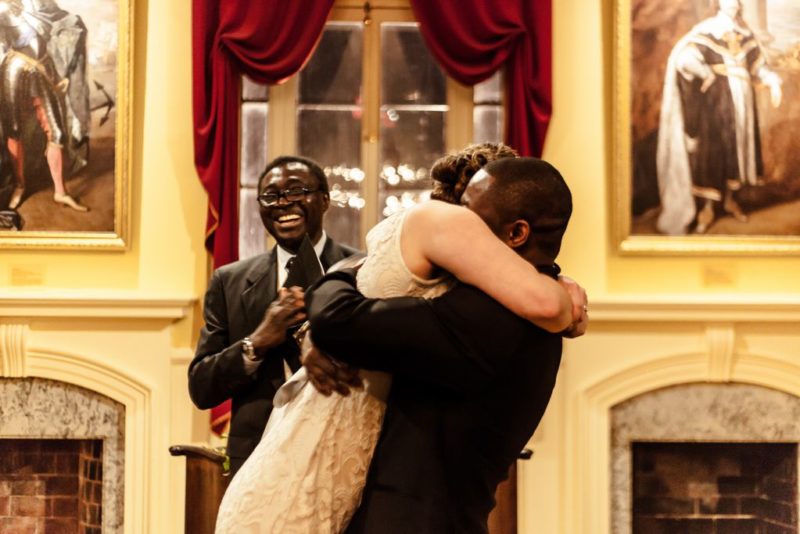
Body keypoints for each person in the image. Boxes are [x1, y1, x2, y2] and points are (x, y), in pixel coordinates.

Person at [214, 145, 587, 533]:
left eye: (469, 220)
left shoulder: (493, 318)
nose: (458, 227)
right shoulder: (522, 306)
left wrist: (345, 276)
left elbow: (340, 320)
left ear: (516, 233)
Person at [188, 155, 359, 475]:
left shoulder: (360, 269)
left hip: (339, 453)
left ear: (324, 200)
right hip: (257, 460)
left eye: (296, 191)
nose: (283, 203)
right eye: (271, 195)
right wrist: (256, 342)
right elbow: (201, 387)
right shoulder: (229, 281)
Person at [656, 0, 782, 235]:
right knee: (714, 153)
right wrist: (705, 74)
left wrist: (773, 81)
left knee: (737, 152)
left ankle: (730, 199)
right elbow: (685, 59)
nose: (733, 2)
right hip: (716, 104)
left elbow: (758, 66)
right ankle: (707, 208)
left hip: (742, 105)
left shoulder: (745, 34)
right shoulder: (707, 31)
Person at [0, 0, 88, 211]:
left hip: (44, 70)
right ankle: (20, 186)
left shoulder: (39, 2)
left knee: (57, 133)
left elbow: (61, 23)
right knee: (14, 131)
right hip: (14, 72)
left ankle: (60, 192)